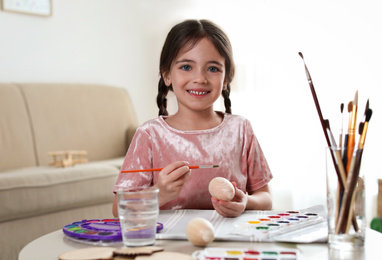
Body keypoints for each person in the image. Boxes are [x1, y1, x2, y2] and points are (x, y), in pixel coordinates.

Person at [112, 19, 272, 218]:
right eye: (187, 67)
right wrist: (158, 194)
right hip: (168, 244)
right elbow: (118, 209)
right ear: (167, 75)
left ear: (226, 80)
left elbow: (265, 198)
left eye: (213, 68)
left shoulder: (241, 129)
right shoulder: (149, 135)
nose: (200, 79)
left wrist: (246, 202)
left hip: (229, 242)